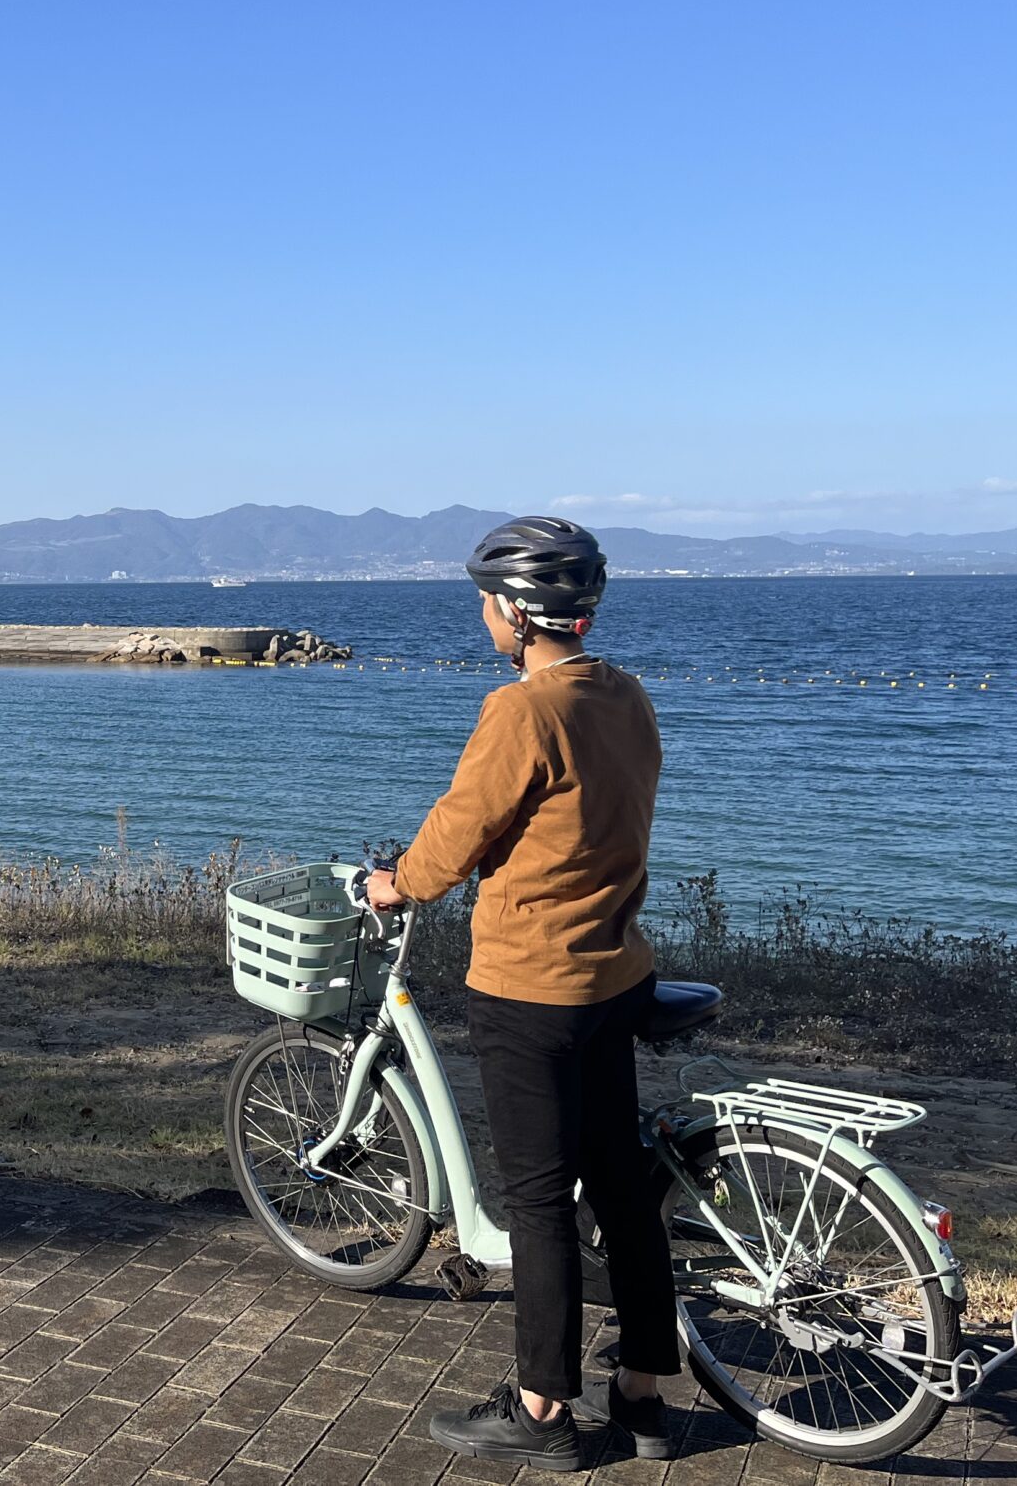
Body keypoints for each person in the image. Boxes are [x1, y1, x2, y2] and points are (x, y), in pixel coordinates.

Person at [364, 516, 679, 1469]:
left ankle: (542, 1410)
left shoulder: (522, 711)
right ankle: (645, 1398)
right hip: (613, 974)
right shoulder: (623, 695)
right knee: (622, 1186)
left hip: (531, 987)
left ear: (517, 611)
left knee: (538, 1200)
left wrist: (393, 882)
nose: (482, 615)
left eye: (486, 601)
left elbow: (456, 834)